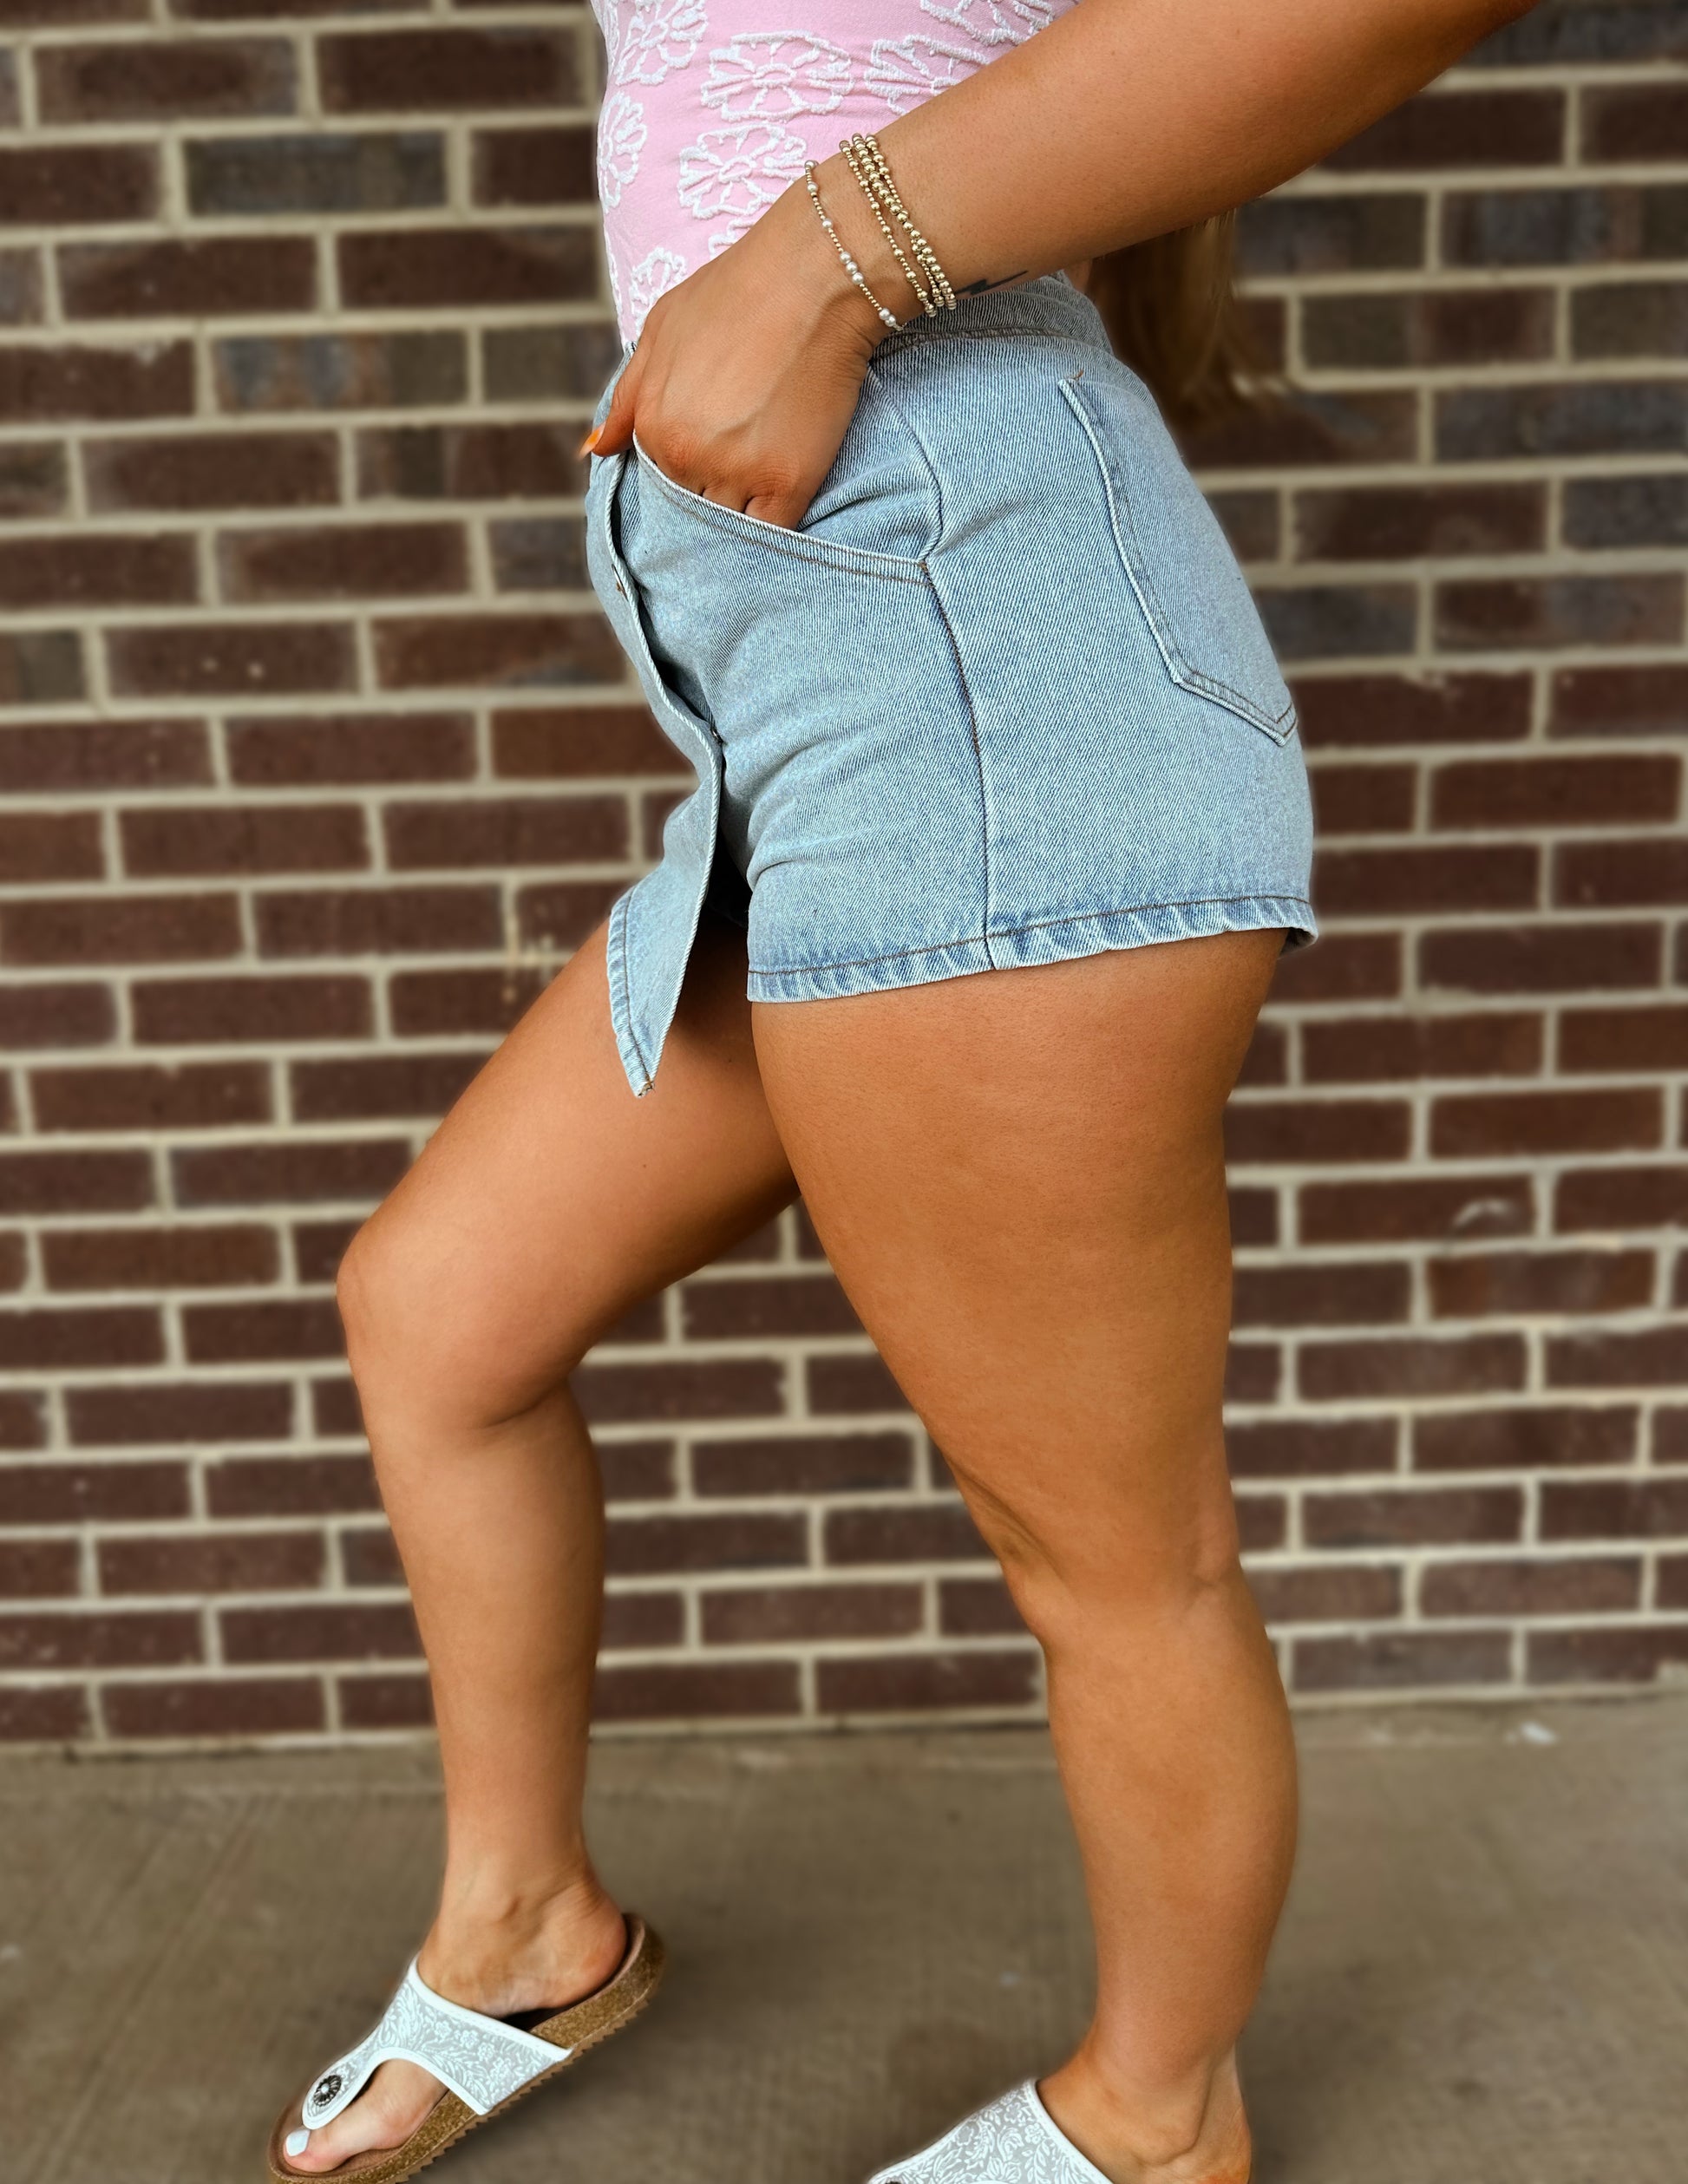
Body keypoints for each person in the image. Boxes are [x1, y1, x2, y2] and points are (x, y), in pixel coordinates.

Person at [267, 1, 1535, 2179]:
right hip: (818, 712)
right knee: (442, 1312)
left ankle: (1156, 2112)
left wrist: (822, 257)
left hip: (979, 689)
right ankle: (526, 1925)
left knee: (1103, 1554)